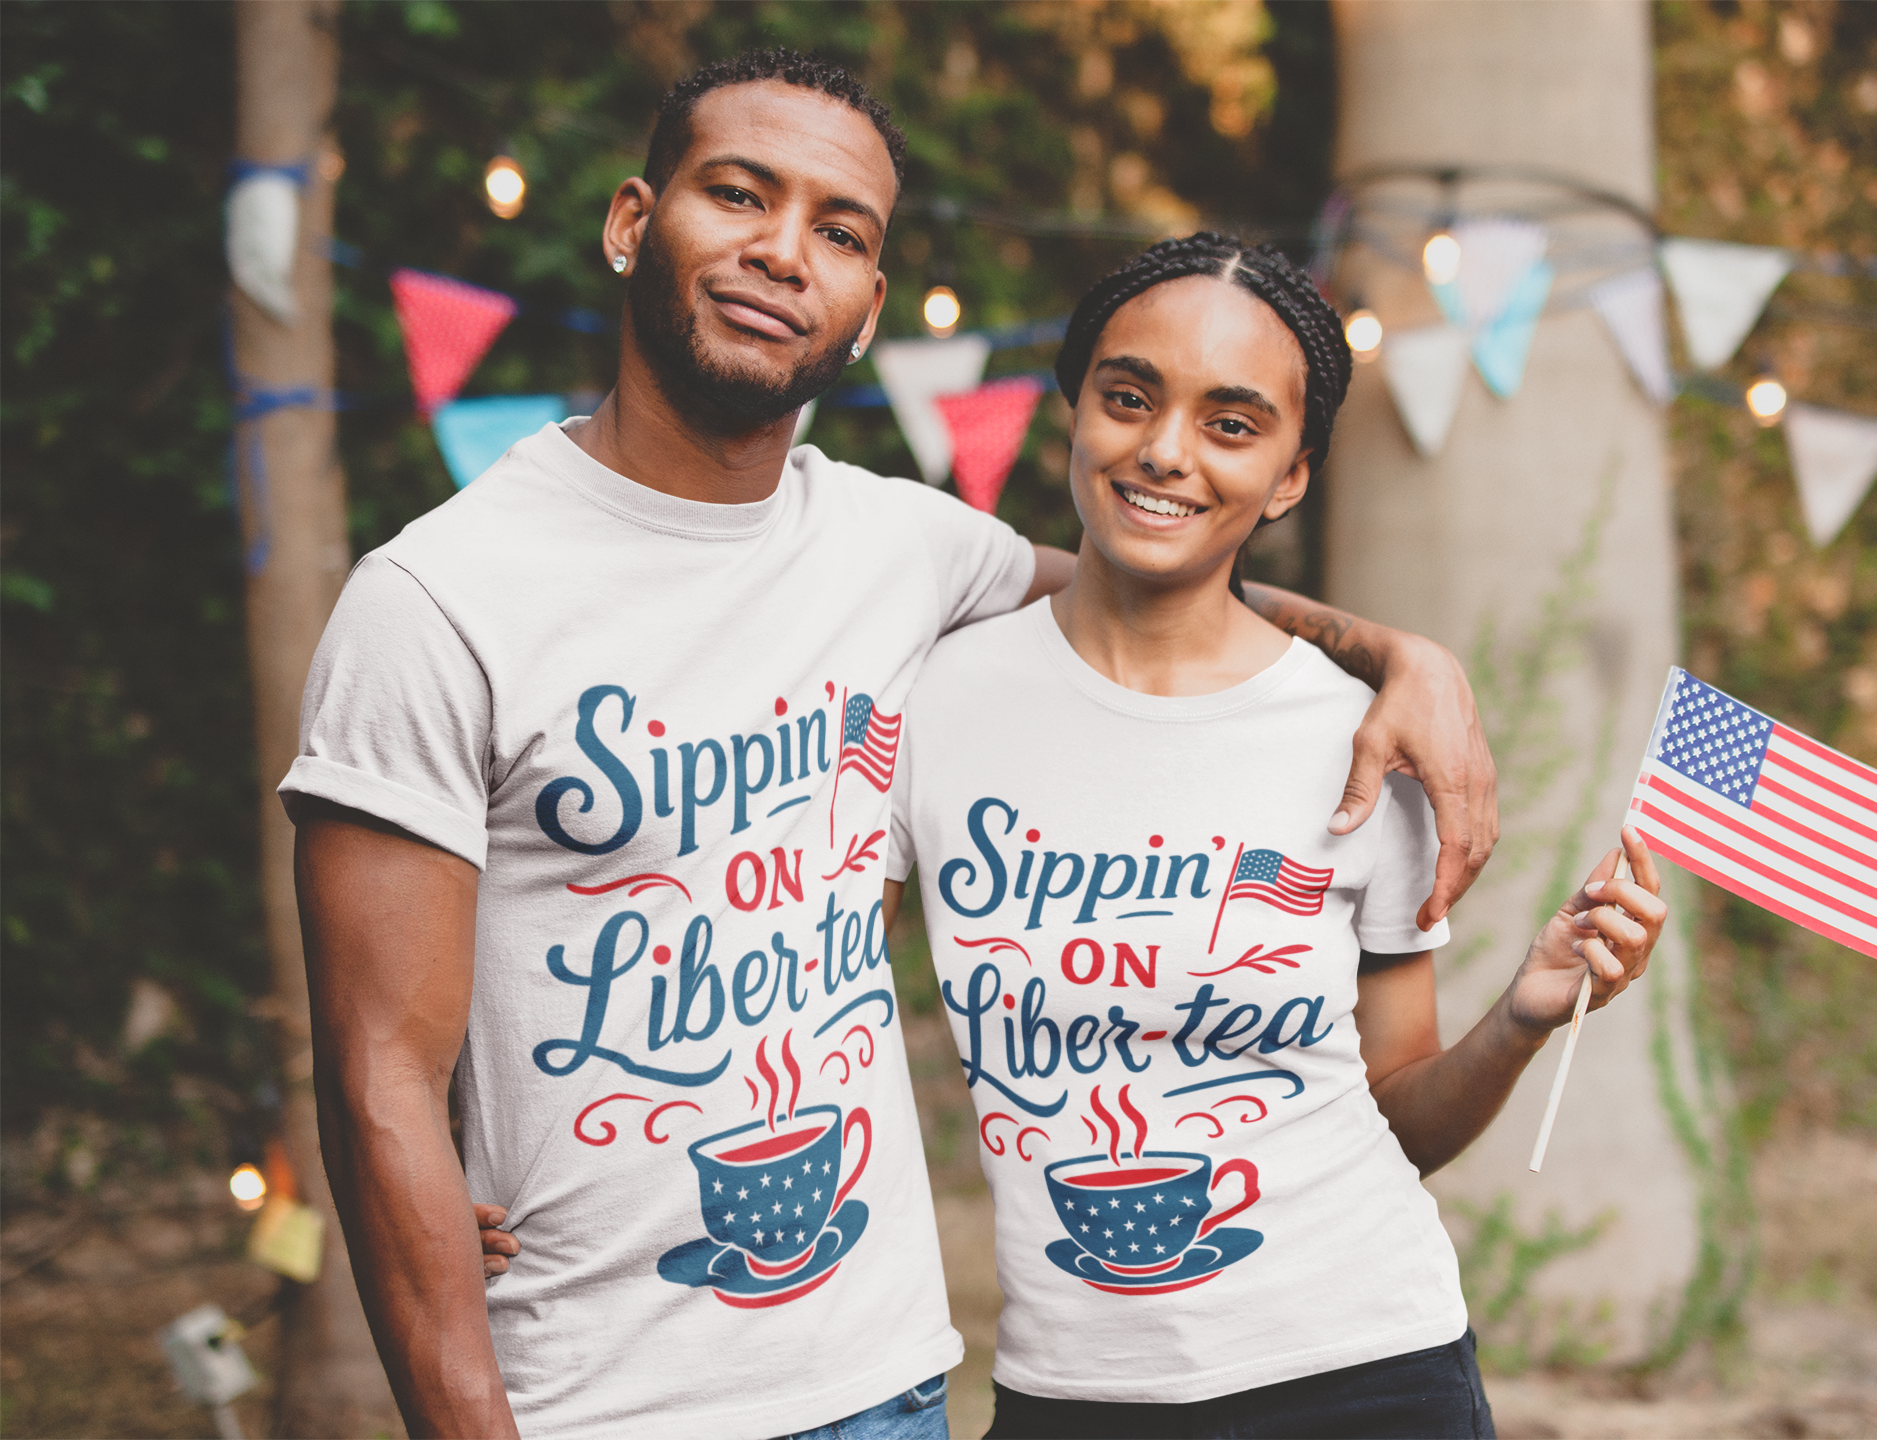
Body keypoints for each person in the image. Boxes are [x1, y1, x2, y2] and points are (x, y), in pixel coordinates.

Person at [286, 50, 1497, 1440]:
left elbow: (1164, 581)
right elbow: (378, 1076)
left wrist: (1402, 657)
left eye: (841, 232)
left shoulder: (903, 546)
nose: (782, 253)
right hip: (594, 1401)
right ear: (633, 223)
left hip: (889, 1384)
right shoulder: (437, 602)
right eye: (738, 193)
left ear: (868, 305)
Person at [867, 236, 1667, 1439]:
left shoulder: (1361, 735)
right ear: (1071, 411)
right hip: (1072, 1391)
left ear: (1292, 475)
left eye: (1231, 424)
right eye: (1129, 398)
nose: (1167, 451)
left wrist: (1521, 1016)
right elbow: (796, 988)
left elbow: (1399, 1113)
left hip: (1369, 1372)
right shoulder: (936, 701)